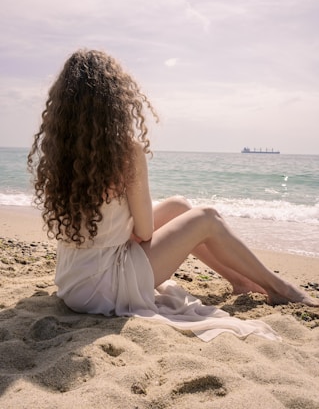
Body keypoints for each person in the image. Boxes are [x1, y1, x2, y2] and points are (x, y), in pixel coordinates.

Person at [28, 49, 318, 342]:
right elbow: (143, 231)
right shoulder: (126, 151)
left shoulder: (59, 154)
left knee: (179, 206)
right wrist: (132, 234)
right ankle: (278, 288)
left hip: (73, 282)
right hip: (106, 286)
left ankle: (240, 281)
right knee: (207, 218)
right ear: (115, 101)